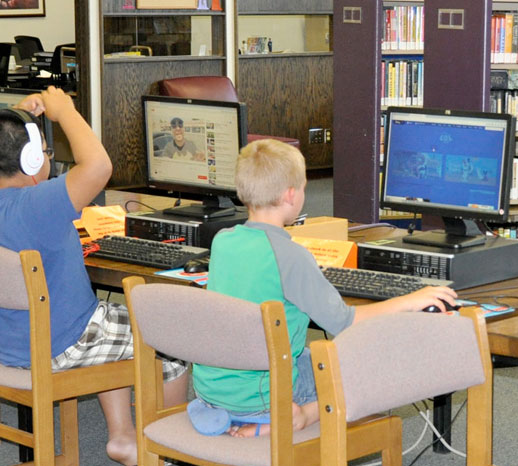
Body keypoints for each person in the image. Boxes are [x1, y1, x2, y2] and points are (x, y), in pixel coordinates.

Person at [0, 87, 187, 466]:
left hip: (10, 343)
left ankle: (122, 436)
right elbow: (98, 167)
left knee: (112, 320)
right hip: (63, 342)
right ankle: (167, 447)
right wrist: (64, 111)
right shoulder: (39, 202)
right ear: (32, 160)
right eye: (45, 152)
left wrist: (19, 111)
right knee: (171, 336)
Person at [189, 139, 457, 438]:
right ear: (291, 194)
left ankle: (247, 417)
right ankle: (301, 416)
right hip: (265, 393)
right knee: (369, 365)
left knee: (309, 355)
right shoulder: (290, 255)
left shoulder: (223, 240)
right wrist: (411, 300)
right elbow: (346, 322)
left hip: (214, 388)